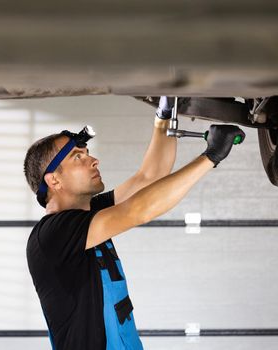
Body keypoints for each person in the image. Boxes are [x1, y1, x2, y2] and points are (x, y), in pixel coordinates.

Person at [23, 97, 246, 350]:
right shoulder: (52, 234)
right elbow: (138, 210)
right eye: (78, 157)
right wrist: (210, 156)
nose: (93, 160)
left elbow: (149, 177)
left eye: (87, 153)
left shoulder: (88, 214)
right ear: (54, 181)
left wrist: (164, 115)